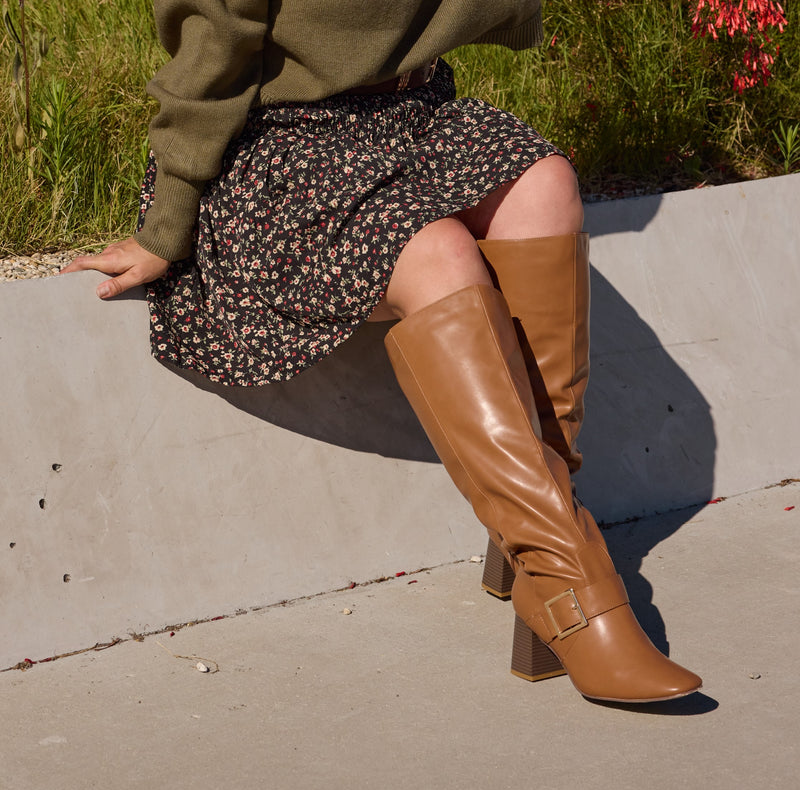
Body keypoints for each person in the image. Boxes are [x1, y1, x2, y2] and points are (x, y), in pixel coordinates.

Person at [62, 0, 701, 703]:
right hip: (278, 145)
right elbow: (214, 37)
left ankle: (533, 551)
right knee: (438, 254)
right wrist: (168, 222)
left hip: (414, 117)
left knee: (545, 191)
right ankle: (569, 588)